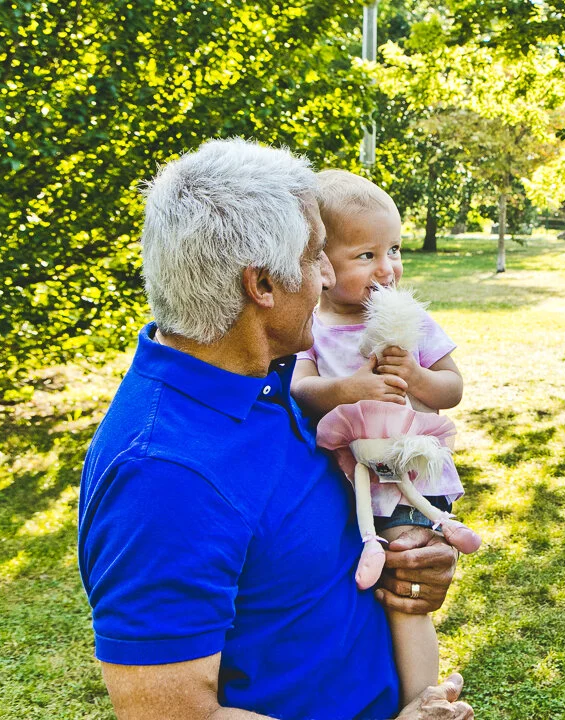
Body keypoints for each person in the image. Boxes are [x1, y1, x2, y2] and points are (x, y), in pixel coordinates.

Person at [77, 138, 473, 720]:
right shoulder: (163, 475)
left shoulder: (267, 373)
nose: (329, 277)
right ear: (261, 285)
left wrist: (414, 561)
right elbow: (173, 713)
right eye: (316, 256)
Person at [290, 170, 470, 706]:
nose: (387, 268)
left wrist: (415, 377)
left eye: (393, 249)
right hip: (350, 479)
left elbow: (452, 388)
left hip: (406, 474)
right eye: (366, 256)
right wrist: (348, 388)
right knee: (359, 582)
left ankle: (423, 699)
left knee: (403, 593)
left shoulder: (409, 319)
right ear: (322, 264)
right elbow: (301, 388)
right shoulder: (311, 327)